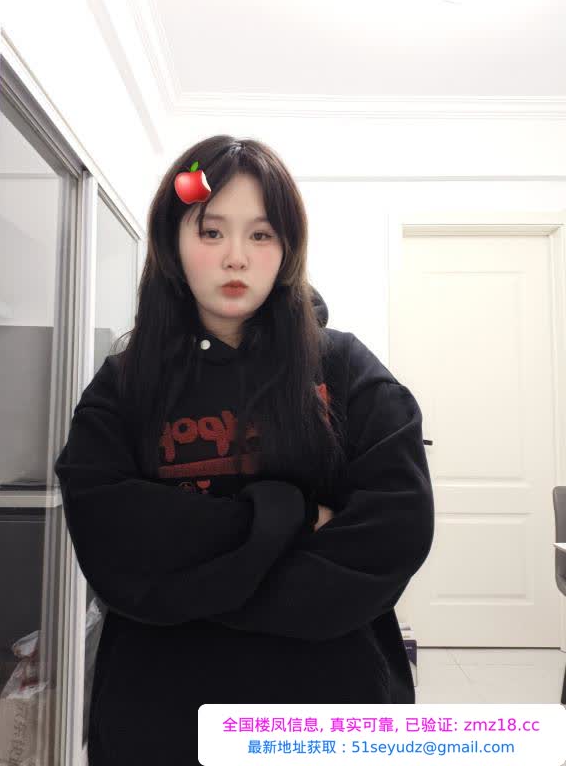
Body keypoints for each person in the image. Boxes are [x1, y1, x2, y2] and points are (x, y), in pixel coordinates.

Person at [53, 135, 435, 765]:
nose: (236, 257)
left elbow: (394, 532)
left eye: (261, 234)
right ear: (173, 241)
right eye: (211, 232)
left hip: (326, 710)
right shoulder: (124, 384)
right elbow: (111, 537)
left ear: (287, 248)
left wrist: (191, 584)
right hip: (162, 715)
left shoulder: (344, 369)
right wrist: (290, 516)